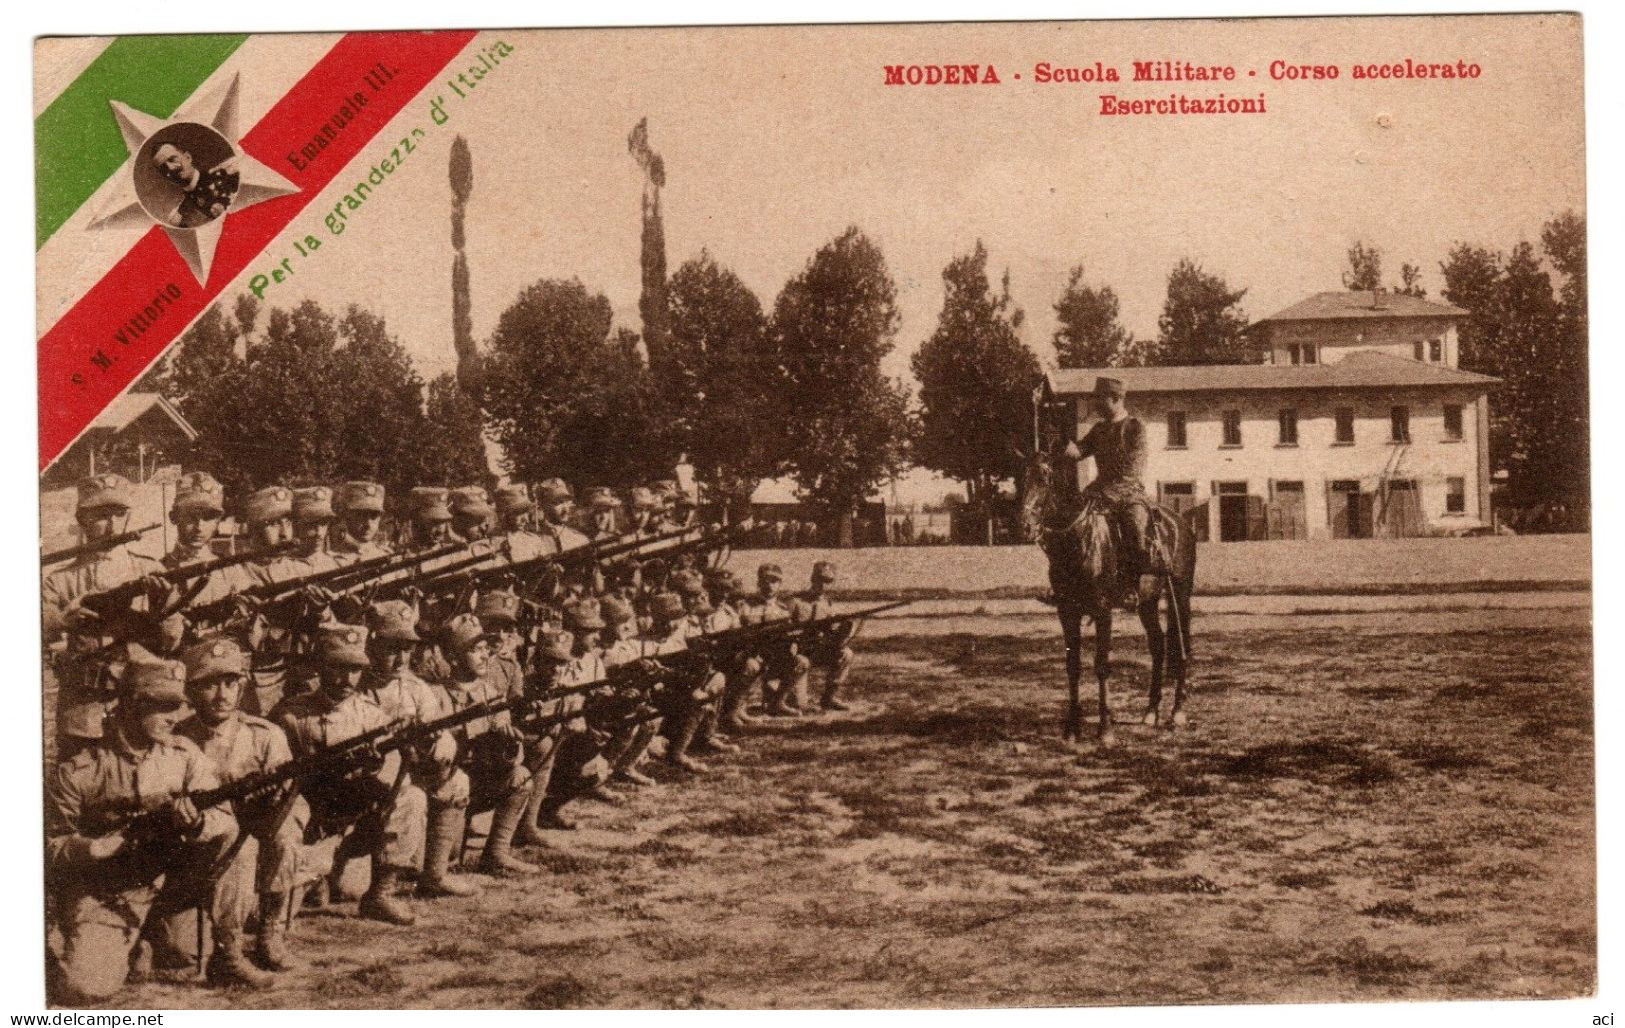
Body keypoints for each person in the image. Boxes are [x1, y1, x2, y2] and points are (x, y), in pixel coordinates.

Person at [46, 658, 238, 1002]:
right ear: (132, 704)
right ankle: (125, 940)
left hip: (166, 883)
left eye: (177, 708)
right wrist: (92, 848)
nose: (173, 718)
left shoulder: (182, 755)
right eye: (163, 707)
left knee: (185, 955)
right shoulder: (81, 770)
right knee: (83, 988)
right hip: (107, 890)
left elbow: (224, 819)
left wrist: (197, 823)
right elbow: (48, 846)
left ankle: (152, 934)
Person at [174, 638, 316, 984]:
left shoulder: (264, 736)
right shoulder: (179, 739)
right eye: (209, 684)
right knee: (178, 950)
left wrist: (272, 799)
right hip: (195, 851)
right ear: (191, 692)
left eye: (231, 682)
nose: (222, 694)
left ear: (242, 687)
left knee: (286, 825)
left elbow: (283, 802)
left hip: (254, 850)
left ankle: (265, 935)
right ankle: (223, 941)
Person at [271, 623, 427, 926]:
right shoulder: (292, 715)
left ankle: (380, 894)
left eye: (355, 669)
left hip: (354, 810)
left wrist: (376, 767)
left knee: (411, 798)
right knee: (284, 909)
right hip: (309, 812)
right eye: (338, 668)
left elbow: (395, 775)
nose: (347, 678)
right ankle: (310, 883)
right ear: (320, 667)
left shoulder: (371, 714)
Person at [359, 601, 478, 900]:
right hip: (362, 781)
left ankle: (434, 875)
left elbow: (443, 740)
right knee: (346, 889)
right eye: (392, 648)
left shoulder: (415, 688)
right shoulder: (354, 682)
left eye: (407, 648)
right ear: (372, 644)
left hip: (404, 777)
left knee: (455, 780)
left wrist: (435, 745)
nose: (401, 657)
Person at [44, 474, 167, 755]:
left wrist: (163, 604)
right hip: (83, 707)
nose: (112, 525)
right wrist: (62, 621)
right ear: (81, 520)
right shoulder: (59, 580)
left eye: (120, 514)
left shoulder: (149, 570)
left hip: (138, 702)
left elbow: (170, 640)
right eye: (101, 516)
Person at [429, 614, 538, 876]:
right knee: (450, 855)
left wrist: (507, 744)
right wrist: (472, 731)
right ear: (453, 658)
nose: (484, 656)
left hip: (479, 782)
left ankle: (497, 854)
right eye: (474, 650)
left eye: (485, 649)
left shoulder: (492, 694)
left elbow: (510, 759)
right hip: (443, 787)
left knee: (520, 778)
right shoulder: (435, 696)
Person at [1056, 376, 1153, 581]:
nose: (1097, 404)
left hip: (1129, 492)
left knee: (1135, 525)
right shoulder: (1099, 429)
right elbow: (1079, 452)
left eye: (1102, 399)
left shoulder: (1135, 427)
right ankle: (1070, 584)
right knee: (1070, 521)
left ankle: (1135, 582)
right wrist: (1062, 441)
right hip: (1099, 490)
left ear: (1117, 399)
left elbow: (1133, 469)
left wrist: (1107, 492)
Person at [737, 563, 807, 717]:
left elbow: (794, 634)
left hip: (777, 657)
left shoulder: (785, 608)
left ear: (780, 584)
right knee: (750, 666)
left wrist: (793, 642)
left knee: (801, 662)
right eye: (765, 580)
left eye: (774, 581)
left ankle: (778, 702)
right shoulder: (745, 606)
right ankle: (738, 707)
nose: (769, 585)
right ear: (758, 583)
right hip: (754, 655)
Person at [790, 561, 857, 712]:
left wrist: (844, 630)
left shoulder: (829, 605)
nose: (823, 586)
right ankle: (780, 696)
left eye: (828, 582)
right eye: (820, 580)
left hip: (817, 651)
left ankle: (828, 697)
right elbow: (783, 630)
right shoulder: (796, 602)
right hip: (796, 654)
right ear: (812, 579)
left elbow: (835, 638)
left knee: (846, 654)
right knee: (800, 706)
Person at [151, 142, 240, 228]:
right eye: (163, 168)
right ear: (164, 177)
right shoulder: (179, 218)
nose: (170, 168)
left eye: (172, 159)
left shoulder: (231, 172)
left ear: (188, 157)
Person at [330, 482, 392, 564]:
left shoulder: (388, 557)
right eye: (361, 516)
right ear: (347, 515)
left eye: (374, 516)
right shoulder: (330, 559)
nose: (368, 524)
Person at [535, 479, 590, 551]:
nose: (565, 509)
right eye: (558, 503)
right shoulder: (534, 542)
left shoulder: (580, 539)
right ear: (543, 506)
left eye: (567, 502)